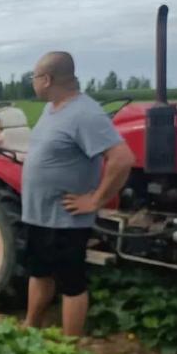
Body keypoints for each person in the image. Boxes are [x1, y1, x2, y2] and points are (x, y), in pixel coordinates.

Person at [22, 52, 134, 336]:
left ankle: (70, 348)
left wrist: (95, 200)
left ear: (46, 79)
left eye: (34, 77)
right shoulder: (52, 108)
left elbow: (122, 159)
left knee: (71, 283)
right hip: (38, 213)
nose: (33, 82)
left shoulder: (86, 113)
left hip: (66, 218)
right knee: (39, 272)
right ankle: (30, 326)